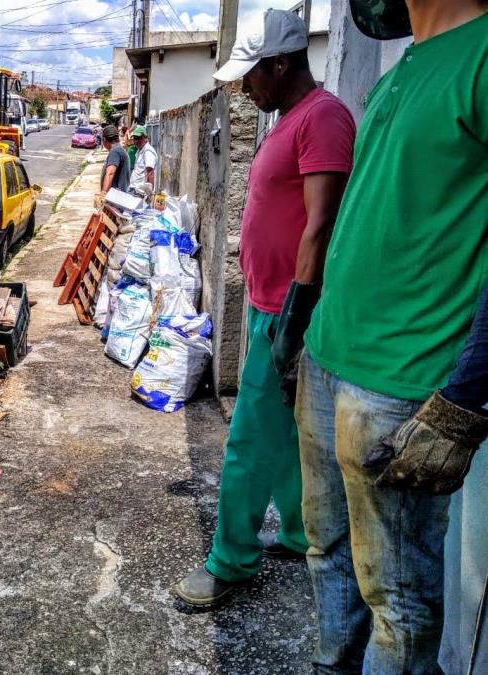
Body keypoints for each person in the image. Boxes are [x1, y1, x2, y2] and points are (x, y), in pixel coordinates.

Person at [291, 0, 487, 671]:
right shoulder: (403, 67)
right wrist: (304, 327)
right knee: (327, 552)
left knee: (398, 607)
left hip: (401, 385)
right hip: (328, 357)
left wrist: (466, 397)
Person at [171, 8, 356, 609]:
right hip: (266, 304)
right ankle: (300, 534)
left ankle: (230, 560)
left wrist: (292, 325)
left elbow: (321, 224)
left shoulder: (322, 118)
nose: (245, 88)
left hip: (289, 312)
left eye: (250, 75)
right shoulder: (287, 119)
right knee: (286, 431)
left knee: (249, 440)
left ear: (280, 64)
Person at [99, 125, 130, 196]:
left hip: (116, 197)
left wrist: (103, 194)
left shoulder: (115, 152)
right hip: (120, 195)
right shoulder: (119, 150)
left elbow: (110, 173)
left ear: (104, 139)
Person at [128, 125, 157, 192]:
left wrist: (148, 193)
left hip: (141, 192)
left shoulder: (148, 151)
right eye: (135, 138)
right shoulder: (140, 150)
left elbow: (150, 173)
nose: (136, 141)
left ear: (145, 138)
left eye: (139, 138)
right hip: (135, 188)